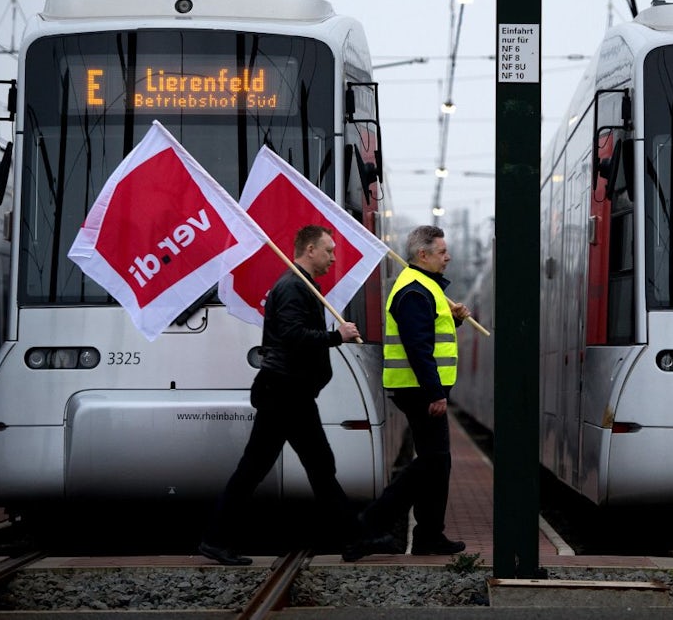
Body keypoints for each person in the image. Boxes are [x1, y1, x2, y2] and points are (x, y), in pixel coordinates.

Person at [198, 224, 362, 566]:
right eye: (329, 250)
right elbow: (291, 335)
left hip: (290, 391)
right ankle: (355, 538)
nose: (333, 257)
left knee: (311, 466)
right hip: (285, 392)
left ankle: (355, 538)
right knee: (277, 468)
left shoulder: (301, 287)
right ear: (310, 250)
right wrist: (337, 337)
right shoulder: (291, 288)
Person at [343, 224, 471, 561]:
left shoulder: (423, 287)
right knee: (432, 461)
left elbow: (429, 334)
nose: (448, 257)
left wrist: (453, 320)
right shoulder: (414, 290)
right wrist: (435, 393)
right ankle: (371, 524)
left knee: (436, 462)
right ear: (423, 255)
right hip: (419, 390)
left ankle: (429, 534)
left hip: (419, 388)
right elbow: (418, 347)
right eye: (442, 252)